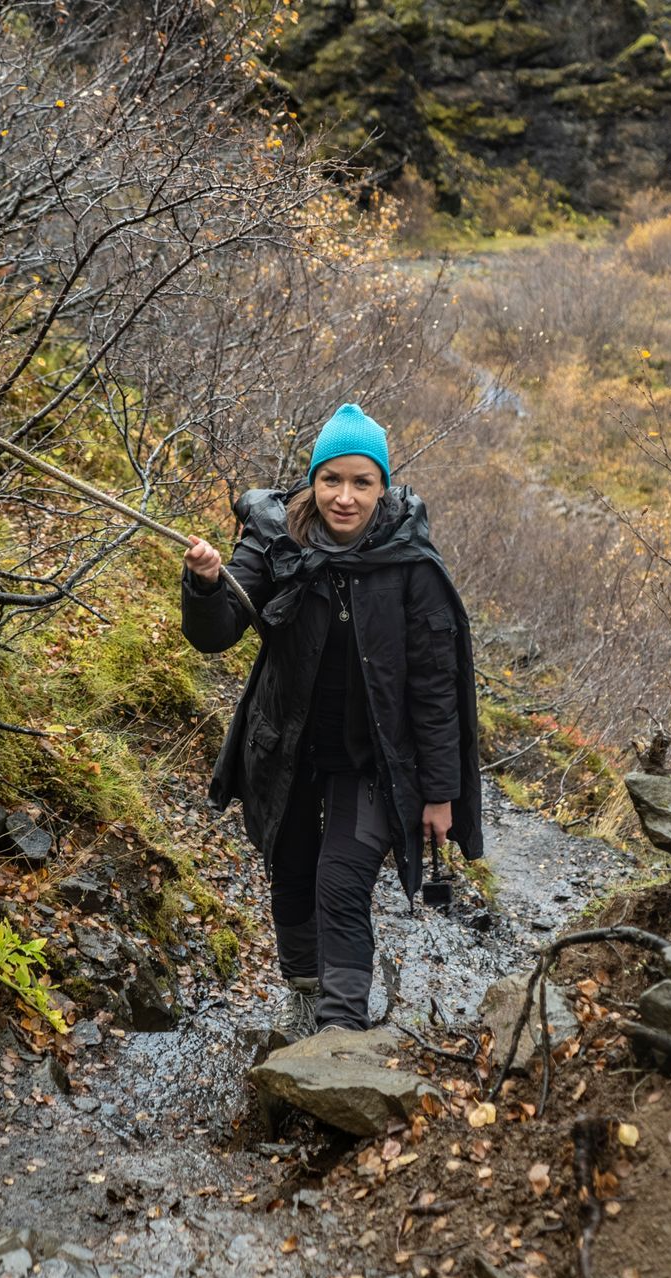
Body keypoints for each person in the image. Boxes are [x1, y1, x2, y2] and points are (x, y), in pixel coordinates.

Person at [180, 403, 483, 1041]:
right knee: (290, 868)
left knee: (340, 882)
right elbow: (217, 634)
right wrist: (207, 584)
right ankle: (302, 993)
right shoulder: (273, 539)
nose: (344, 498)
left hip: (372, 760)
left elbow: (435, 690)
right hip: (285, 747)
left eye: (361, 482)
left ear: (383, 486)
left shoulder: (409, 564)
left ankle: (341, 1034)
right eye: (331, 480)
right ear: (313, 482)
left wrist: (440, 792)